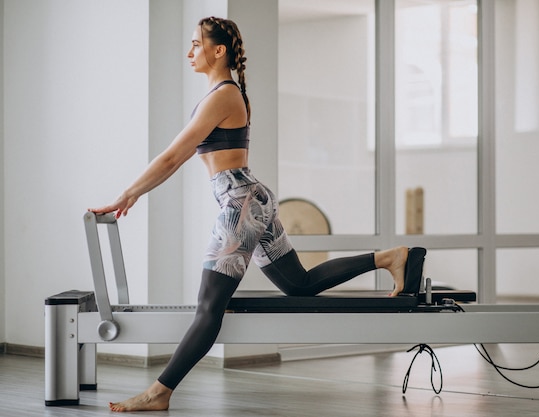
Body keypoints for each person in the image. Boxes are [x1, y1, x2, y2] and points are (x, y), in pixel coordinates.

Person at [89, 16, 424, 412]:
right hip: (251, 199)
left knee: (209, 306)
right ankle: (389, 257)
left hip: (241, 205)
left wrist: (127, 195)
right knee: (299, 285)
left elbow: (172, 156)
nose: (189, 51)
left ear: (218, 51)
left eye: (196, 44)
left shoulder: (223, 95)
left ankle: (159, 392)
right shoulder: (224, 93)